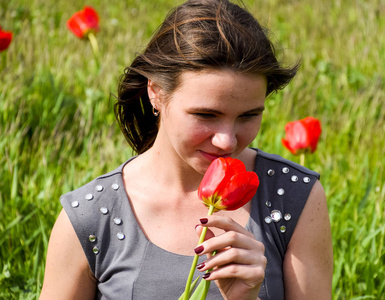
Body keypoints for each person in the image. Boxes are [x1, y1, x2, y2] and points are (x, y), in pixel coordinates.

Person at [39, 0, 333, 299]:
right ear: (156, 93)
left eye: (248, 115)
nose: (227, 141)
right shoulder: (92, 217)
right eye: (206, 115)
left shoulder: (294, 198)